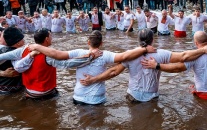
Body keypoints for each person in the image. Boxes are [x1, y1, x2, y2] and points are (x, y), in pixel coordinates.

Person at [79, 29, 207, 103]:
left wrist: (93, 79)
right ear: (152, 40)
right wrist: (203, 50)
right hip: (152, 96)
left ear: (139, 40)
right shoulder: (161, 54)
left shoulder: (130, 55)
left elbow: (113, 72)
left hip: (133, 96)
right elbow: (184, 57)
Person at [28, 30, 156, 105]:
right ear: (101, 43)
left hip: (77, 97)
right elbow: (124, 57)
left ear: (88, 42)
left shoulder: (78, 52)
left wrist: (37, 47)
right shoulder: (105, 55)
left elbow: (57, 55)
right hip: (96, 100)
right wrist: (143, 48)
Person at [0, 28, 99, 99]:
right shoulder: (48, 56)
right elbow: (67, 64)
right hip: (44, 94)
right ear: (47, 39)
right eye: (50, 36)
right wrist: (90, 58)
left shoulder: (23, 50)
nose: (52, 38)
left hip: (29, 93)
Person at [0, 27, 24, 94]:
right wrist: (3, 73)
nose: (24, 41)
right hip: (8, 90)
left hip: (6, 89)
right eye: (23, 39)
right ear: (18, 43)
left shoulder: (2, 50)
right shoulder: (18, 53)